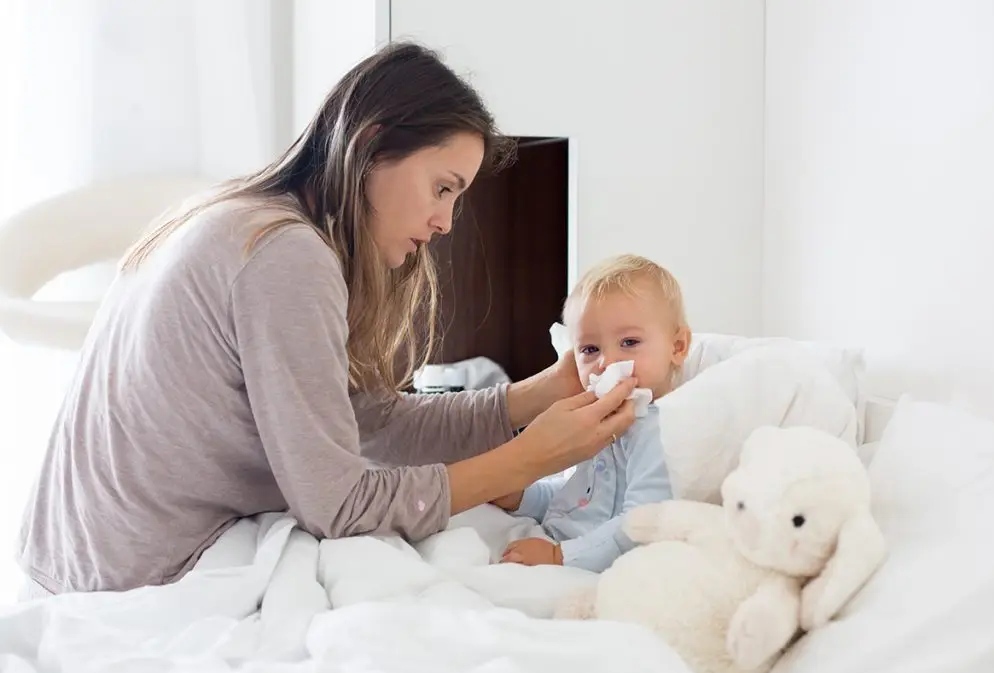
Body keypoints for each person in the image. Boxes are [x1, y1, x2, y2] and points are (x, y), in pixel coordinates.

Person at [16, 42, 638, 597]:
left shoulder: (244, 215)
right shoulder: (285, 255)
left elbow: (369, 423)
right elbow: (337, 505)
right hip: (127, 582)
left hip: (71, 562)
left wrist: (538, 395)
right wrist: (527, 460)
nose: (447, 222)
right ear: (370, 144)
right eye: (442, 188)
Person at [495, 255, 691, 573]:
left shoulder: (659, 429)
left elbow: (640, 525)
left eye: (629, 342)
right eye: (590, 349)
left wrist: (561, 556)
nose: (606, 362)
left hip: (596, 566)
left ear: (678, 347)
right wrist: (522, 497)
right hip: (555, 542)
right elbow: (576, 499)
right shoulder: (595, 420)